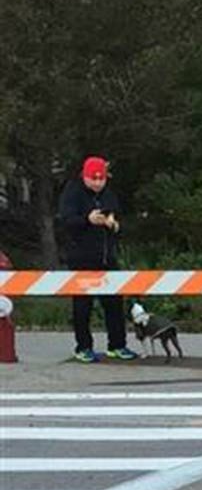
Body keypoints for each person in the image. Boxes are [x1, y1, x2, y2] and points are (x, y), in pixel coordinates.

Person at [56, 155, 131, 363]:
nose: (98, 183)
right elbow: (66, 221)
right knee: (83, 305)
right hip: (82, 257)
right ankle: (83, 347)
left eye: (101, 179)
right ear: (85, 176)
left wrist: (113, 224)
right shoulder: (73, 192)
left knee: (114, 302)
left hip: (107, 257)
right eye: (93, 179)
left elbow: (118, 216)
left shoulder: (109, 195)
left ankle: (117, 345)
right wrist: (87, 220)